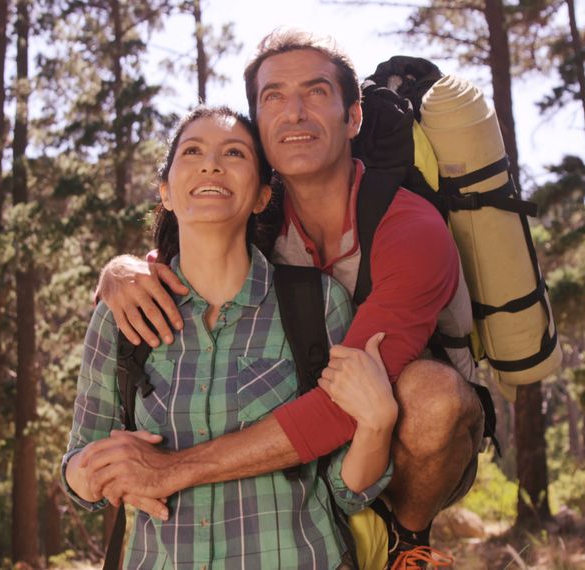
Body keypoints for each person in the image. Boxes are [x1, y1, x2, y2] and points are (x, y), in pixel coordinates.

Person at [92, 30, 485, 567]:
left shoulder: (409, 228)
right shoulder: (263, 215)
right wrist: (121, 272)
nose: (294, 112)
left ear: (354, 118)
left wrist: (174, 469)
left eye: (316, 92)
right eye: (273, 96)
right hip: (316, 444)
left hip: (411, 435)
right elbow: (185, 256)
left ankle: (408, 542)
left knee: (430, 396)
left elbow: (340, 409)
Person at [62, 106, 398, 568]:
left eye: (234, 153)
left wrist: (377, 425)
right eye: (193, 151)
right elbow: (78, 470)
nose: (211, 164)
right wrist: (98, 469)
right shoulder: (120, 318)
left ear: (262, 195)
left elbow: (347, 487)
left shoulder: (317, 306)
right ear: (166, 193)